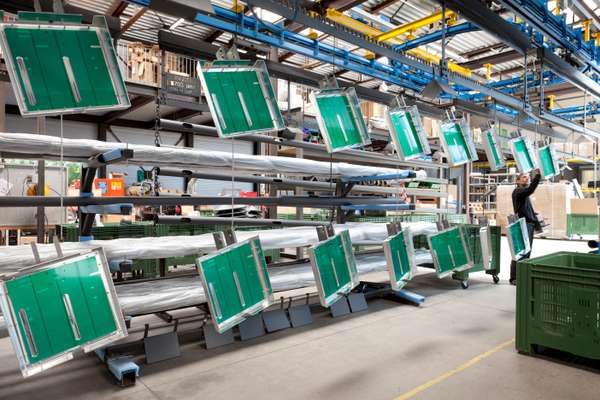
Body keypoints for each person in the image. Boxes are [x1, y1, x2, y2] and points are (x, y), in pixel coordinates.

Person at [509, 168, 542, 285]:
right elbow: (531, 189)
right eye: (524, 177)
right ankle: (514, 278)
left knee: (527, 252)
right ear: (517, 181)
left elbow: (528, 209)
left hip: (529, 224)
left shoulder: (523, 193)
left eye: (528, 177)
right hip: (523, 224)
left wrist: (537, 222)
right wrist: (537, 176)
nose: (527, 178)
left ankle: (522, 275)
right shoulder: (518, 191)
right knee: (520, 251)